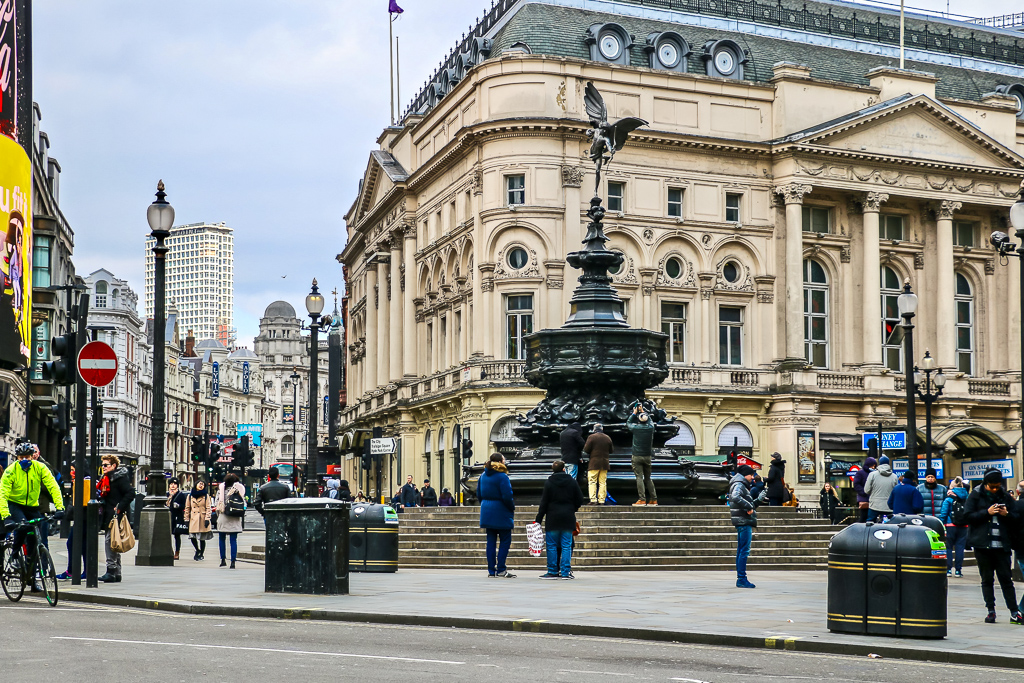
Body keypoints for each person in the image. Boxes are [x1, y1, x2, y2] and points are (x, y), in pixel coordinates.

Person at [0, 442, 65, 590]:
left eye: (27, 457)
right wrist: (6, 517)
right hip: (14, 504)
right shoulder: (11, 471)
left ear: (32, 457)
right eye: (21, 457)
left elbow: (53, 486)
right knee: (23, 525)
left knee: (34, 542)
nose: (24, 460)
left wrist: (60, 507)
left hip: (32, 505)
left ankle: (32, 578)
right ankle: (15, 555)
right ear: (17, 458)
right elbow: (2, 494)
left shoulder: (40, 468)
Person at [965, 469, 1023, 624]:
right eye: (992, 486)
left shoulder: (1005, 497)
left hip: (1002, 545)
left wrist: (1007, 514)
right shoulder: (976, 495)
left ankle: (1014, 611)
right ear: (986, 484)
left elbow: (1017, 517)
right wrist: (987, 512)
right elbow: (967, 516)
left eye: (997, 486)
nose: (995, 489)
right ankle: (991, 610)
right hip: (982, 545)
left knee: (1006, 580)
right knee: (987, 579)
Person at [535, 460, 584, 580]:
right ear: (564, 469)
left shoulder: (549, 482)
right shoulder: (572, 482)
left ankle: (552, 571)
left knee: (551, 545)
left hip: (552, 518)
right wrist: (573, 508)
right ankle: (566, 572)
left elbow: (544, 502)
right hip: (568, 517)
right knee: (566, 545)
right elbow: (580, 499)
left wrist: (538, 519)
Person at [97, 455, 135, 583]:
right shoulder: (106, 479)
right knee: (114, 542)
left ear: (114, 466)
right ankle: (117, 572)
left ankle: (111, 571)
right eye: (102, 465)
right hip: (108, 515)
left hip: (115, 516)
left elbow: (130, 493)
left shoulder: (119, 478)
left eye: (106, 465)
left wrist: (119, 508)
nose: (103, 467)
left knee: (110, 542)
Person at [477, 453, 516, 578]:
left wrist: (485, 505)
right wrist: (511, 507)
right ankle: (501, 569)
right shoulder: (502, 476)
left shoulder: (483, 476)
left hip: (487, 510)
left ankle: (491, 570)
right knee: (505, 540)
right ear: (500, 462)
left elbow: (479, 494)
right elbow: (507, 495)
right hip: (501, 511)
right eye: (504, 460)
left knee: (491, 541)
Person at [729, 465, 767, 589]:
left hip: (742, 520)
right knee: (744, 550)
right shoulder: (739, 484)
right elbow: (735, 496)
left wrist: (759, 500)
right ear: (746, 475)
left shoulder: (740, 484)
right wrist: (748, 507)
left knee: (741, 550)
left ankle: (741, 577)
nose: (752, 477)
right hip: (743, 521)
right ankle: (741, 578)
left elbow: (749, 505)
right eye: (751, 475)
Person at [939, 477, 970, 578]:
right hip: (964, 526)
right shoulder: (967, 497)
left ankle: (948, 569)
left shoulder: (948, 499)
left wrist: (940, 524)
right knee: (960, 548)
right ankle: (958, 570)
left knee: (948, 547)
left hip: (950, 525)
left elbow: (943, 514)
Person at [626, 406, 656, 506]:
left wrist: (634, 413)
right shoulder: (650, 428)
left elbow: (628, 423)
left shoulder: (636, 428)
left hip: (637, 456)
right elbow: (650, 421)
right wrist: (643, 412)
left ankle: (642, 499)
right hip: (647, 456)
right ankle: (653, 499)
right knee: (648, 478)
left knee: (639, 477)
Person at [215, 473, 246, 569]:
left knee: (221, 538)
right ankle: (233, 561)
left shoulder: (221, 490)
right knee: (233, 540)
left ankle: (223, 560)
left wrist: (218, 515)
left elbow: (217, 503)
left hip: (223, 516)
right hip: (235, 517)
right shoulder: (239, 490)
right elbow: (244, 503)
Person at [583, 423, 613, 505]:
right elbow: (611, 450)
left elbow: (586, 449)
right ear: (602, 429)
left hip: (594, 463)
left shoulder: (591, 437)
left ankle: (593, 499)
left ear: (594, 429)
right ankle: (601, 500)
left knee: (592, 481)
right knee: (602, 482)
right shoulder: (607, 438)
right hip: (605, 463)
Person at [185, 479, 213, 560]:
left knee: (202, 538)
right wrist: (186, 519)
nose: (201, 485)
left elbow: (208, 508)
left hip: (202, 518)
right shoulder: (190, 496)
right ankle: (197, 550)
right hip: (193, 519)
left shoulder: (206, 496)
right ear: (196, 485)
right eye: (200, 484)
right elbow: (187, 508)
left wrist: (207, 518)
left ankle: (201, 554)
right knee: (192, 537)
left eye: (203, 485)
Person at [864, 455, 896, 522]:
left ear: (879, 463)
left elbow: (866, 490)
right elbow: (895, 492)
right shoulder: (894, 476)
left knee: (870, 523)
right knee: (888, 525)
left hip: (874, 505)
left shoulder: (872, 475)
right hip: (888, 506)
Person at [166, 478, 188, 560]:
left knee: (177, 535)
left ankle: (177, 552)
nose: (173, 485)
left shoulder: (180, 495)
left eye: (175, 484)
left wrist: (178, 506)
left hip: (177, 517)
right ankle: (169, 550)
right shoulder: (167, 494)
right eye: (171, 484)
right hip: (168, 517)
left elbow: (185, 506)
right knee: (167, 535)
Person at [852, 456, 877, 523]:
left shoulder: (875, 474)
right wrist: (864, 492)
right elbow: (856, 484)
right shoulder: (860, 473)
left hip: (872, 498)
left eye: (874, 466)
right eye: (872, 466)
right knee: (864, 516)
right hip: (864, 498)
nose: (873, 468)